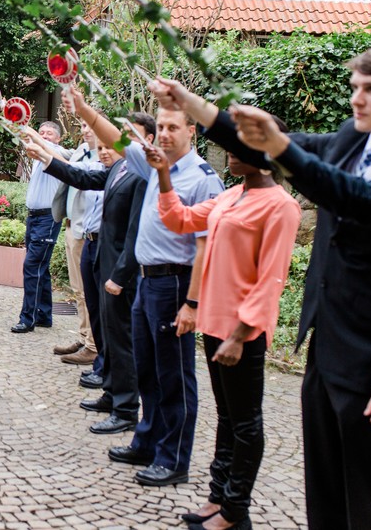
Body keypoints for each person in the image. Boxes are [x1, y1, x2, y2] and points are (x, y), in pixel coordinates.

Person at [149, 44, 371, 530]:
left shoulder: (292, 199)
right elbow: (263, 143)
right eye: (355, 87)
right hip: (328, 346)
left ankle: (233, 507)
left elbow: (351, 195)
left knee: (369, 499)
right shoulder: (352, 139)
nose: (357, 99)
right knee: (325, 488)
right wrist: (192, 104)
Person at [66, 86, 224, 486]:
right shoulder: (153, 163)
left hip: (176, 282)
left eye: (174, 127)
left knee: (174, 376)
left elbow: (206, 248)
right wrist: (83, 109)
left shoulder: (203, 179)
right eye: (162, 127)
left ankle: (173, 458)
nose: (165, 134)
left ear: (192, 131)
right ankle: (147, 441)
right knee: (148, 371)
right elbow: (116, 138)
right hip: (147, 280)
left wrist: (192, 303)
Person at [144, 138, 299, 530]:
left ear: (267, 153)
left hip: (242, 332)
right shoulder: (230, 196)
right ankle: (218, 498)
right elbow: (180, 219)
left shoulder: (281, 206)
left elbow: (272, 279)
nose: (229, 150)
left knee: (246, 422)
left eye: (239, 145)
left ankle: (235, 511)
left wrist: (241, 334)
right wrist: (163, 174)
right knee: (227, 418)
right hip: (214, 325)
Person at [26, 113, 153, 436]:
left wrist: (120, 274)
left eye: (127, 135)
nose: (116, 141)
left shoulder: (142, 174)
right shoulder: (118, 169)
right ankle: (111, 391)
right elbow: (81, 177)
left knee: (122, 337)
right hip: (100, 255)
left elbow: (136, 231)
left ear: (146, 140)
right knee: (106, 328)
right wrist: (46, 158)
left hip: (120, 267)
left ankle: (125, 408)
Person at [10, 121, 70, 333]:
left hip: (48, 218)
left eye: (49, 133)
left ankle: (28, 318)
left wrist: (31, 132)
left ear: (58, 138)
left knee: (32, 266)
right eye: (41, 132)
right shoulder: (37, 155)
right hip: (33, 217)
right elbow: (27, 140)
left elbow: (41, 144)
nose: (44, 136)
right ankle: (44, 315)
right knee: (40, 268)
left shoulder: (57, 153)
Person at [54, 121, 99, 367]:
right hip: (72, 226)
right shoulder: (82, 149)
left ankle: (93, 345)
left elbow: (67, 167)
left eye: (91, 125)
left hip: (87, 232)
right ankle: (83, 338)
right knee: (77, 290)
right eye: (83, 125)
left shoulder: (103, 157)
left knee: (87, 291)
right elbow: (54, 150)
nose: (85, 130)